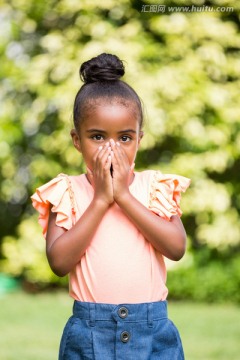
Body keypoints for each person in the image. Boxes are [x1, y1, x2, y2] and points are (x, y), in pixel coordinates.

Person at [31, 53, 190, 360]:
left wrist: (125, 198)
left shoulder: (154, 187)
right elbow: (59, 262)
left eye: (125, 137)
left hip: (152, 330)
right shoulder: (66, 192)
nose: (112, 148)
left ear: (139, 140)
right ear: (77, 141)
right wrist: (102, 199)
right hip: (90, 333)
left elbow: (176, 247)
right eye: (98, 137)